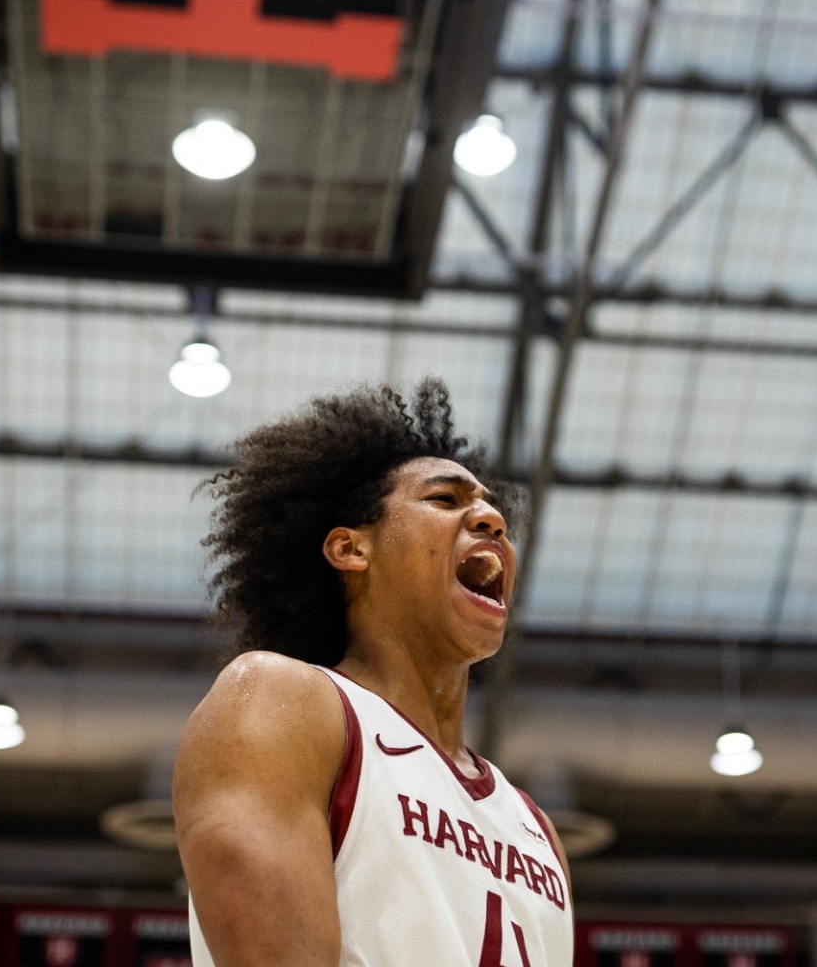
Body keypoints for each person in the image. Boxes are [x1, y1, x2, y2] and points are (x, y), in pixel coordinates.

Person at [174, 380, 571, 967]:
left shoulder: (537, 829)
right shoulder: (282, 704)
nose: (491, 520)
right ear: (351, 550)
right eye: (444, 499)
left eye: (493, 511)